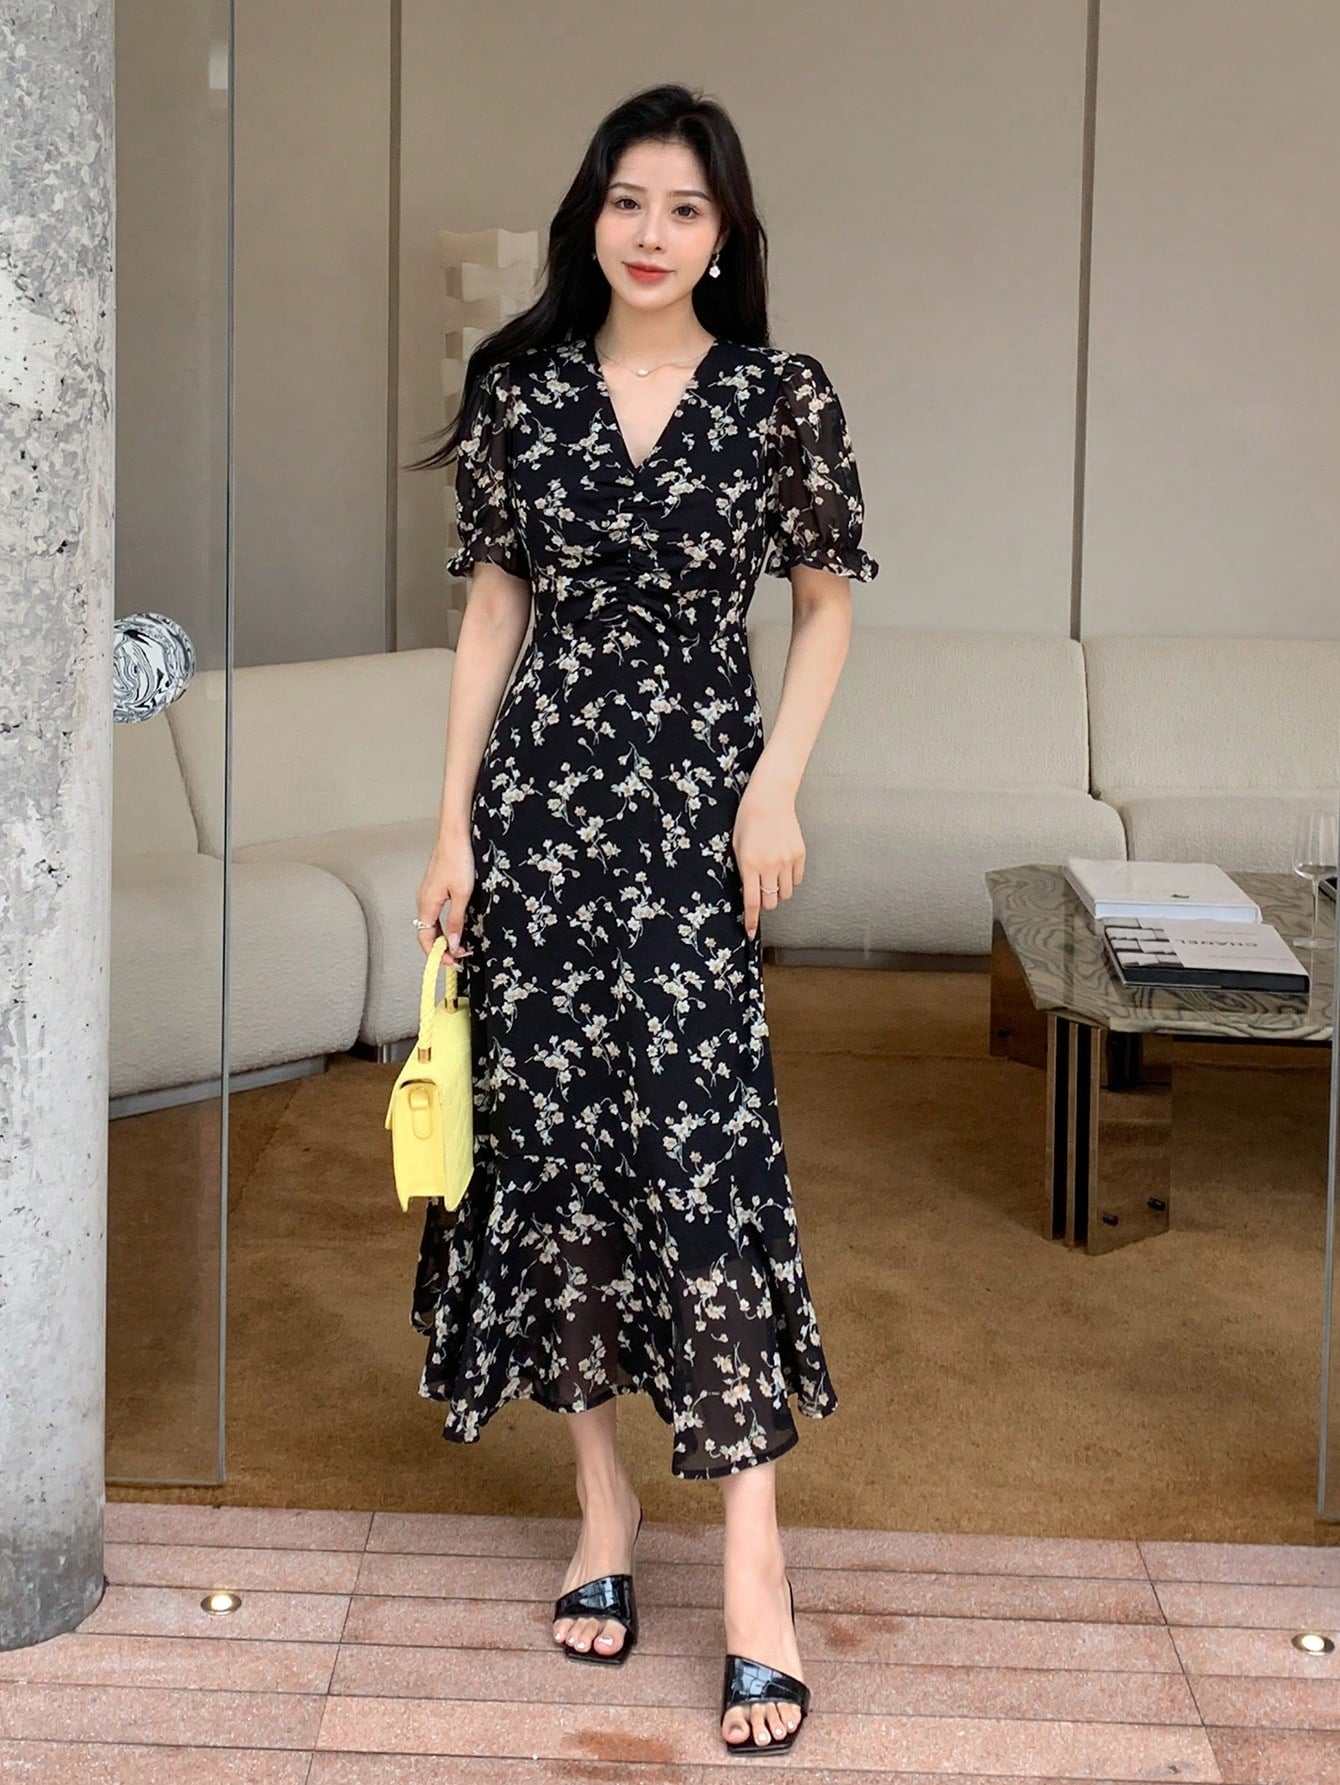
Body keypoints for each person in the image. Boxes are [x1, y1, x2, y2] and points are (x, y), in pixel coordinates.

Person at [405, 81, 878, 1754]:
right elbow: (492, 614)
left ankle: (755, 1560)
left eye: (685, 207)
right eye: (627, 201)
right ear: (590, 215)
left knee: (703, 1144)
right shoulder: (520, 392)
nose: (652, 232)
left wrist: (776, 784)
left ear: (725, 232)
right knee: (552, 1145)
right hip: (540, 816)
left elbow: (823, 610)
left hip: (694, 819)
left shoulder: (778, 397)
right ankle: (602, 1500)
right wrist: (453, 825)